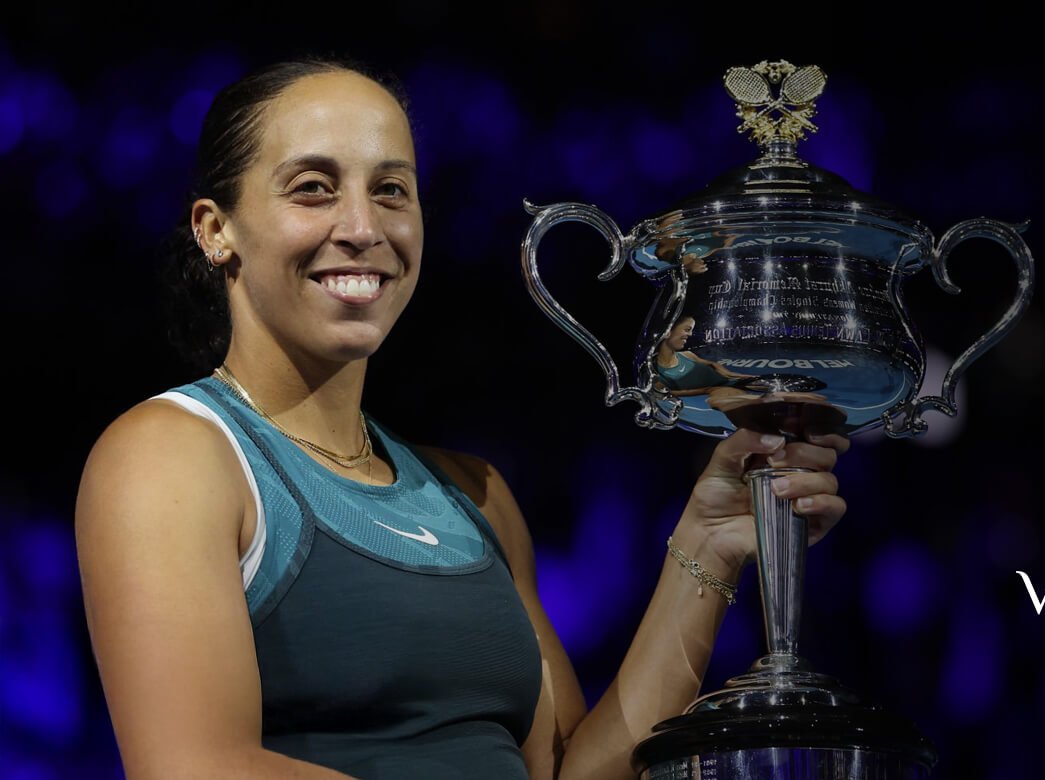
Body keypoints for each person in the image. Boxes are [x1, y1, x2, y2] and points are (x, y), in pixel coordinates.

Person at [74, 57, 848, 779]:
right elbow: (198, 767)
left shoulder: (475, 497)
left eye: (391, 190)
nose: (363, 228)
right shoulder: (172, 456)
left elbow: (574, 774)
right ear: (216, 229)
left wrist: (710, 540)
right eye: (312, 187)